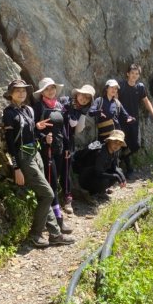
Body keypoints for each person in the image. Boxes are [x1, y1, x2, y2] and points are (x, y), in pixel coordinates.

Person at [1, 79, 74, 248]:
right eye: (17, 90)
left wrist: (41, 134)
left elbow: (31, 133)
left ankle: (55, 234)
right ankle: (35, 234)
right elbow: (10, 142)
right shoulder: (9, 113)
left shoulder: (28, 110)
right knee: (48, 193)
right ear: (11, 94)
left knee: (45, 194)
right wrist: (16, 167)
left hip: (35, 153)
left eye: (24, 90)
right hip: (23, 157)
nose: (21, 93)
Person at [32, 77, 72, 234]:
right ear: (42, 92)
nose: (51, 91)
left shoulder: (59, 106)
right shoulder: (38, 107)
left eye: (53, 88)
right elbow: (33, 129)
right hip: (46, 151)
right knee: (52, 185)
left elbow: (63, 129)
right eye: (47, 89)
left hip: (59, 150)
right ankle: (58, 221)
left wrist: (67, 147)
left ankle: (56, 219)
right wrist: (43, 138)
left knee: (57, 182)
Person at [118, 64, 153, 178]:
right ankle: (129, 169)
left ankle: (121, 158)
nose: (134, 76)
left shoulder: (140, 87)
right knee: (123, 143)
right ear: (128, 73)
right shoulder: (121, 86)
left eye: (137, 74)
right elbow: (116, 101)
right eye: (132, 73)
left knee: (135, 146)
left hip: (134, 120)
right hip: (122, 120)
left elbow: (146, 101)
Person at [59, 84, 96, 213]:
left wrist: (82, 114)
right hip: (56, 140)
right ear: (77, 94)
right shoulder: (64, 101)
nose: (83, 99)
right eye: (82, 95)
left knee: (66, 170)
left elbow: (78, 130)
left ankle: (67, 198)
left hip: (68, 143)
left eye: (87, 98)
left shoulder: (81, 111)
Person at [78, 129, 127, 197]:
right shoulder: (101, 152)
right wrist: (116, 176)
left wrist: (122, 177)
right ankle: (94, 193)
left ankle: (101, 191)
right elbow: (98, 173)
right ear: (109, 141)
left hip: (97, 175)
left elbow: (114, 167)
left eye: (120, 143)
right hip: (86, 179)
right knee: (106, 180)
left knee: (119, 171)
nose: (117, 145)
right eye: (115, 142)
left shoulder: (114, 151)